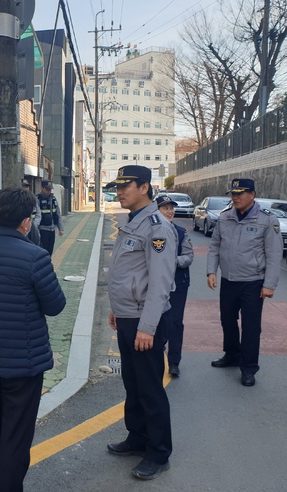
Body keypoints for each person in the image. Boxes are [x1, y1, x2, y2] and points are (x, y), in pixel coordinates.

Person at [0, 187, 66, 492]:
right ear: (25, 222)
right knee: (15, 435)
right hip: (23, 361)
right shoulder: (35, 257)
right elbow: (56, 306)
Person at [106, 165, 176, 481]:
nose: (119, 192)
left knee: (149, 388)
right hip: (127, 316)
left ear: (144, 187)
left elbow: (160, 283)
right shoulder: (132, 221)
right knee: (132, 385)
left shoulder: (157, 227)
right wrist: (116, 309)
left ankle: (159, 453)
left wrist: (147, 327)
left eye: (125, 186)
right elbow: (128, 273)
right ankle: (137, 438)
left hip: (144, 322)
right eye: (117, 186)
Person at [206, 178, 282, 387]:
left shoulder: (267, 220)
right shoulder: (225, 218)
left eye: (241, 193)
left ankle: (249, 367)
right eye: (233, 193)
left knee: (250, 327)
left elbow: (274, 255)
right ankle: (232, 355)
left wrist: (269, 285)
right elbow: (214, 246)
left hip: (253, 282)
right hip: (228, 280)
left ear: (253, 195)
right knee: (227, 321)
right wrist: (211, 271)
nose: (236, 197)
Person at [156, 195, 194, 377]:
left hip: (178, 283)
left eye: (171, 208)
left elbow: (188, 257)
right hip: (157, 284)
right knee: (155, 321)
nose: (170, 212)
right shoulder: (151, 231)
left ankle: (174, 362)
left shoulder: (180, 232)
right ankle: (155, 359)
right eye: (165, 208)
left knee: (175, 323)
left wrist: (172, 261)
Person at [36, 179, 63, 255]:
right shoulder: (37, 200)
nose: (49, 191)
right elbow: (37, 216)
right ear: (42, 188)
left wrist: (60, 228)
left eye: (50, 189)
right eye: (47, 189)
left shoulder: (53, 199)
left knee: (50, 251)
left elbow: (57, 213)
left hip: (52, 230)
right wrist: (35, 230)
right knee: (42, 251)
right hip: (42, 230)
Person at [21, 179, 41, 246]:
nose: (26, 188)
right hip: (21, 229)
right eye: (24, 186)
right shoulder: (17, 201)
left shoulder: (33, 199)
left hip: (31, 226)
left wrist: (33, 224)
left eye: (27, 186)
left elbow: (38, 214)